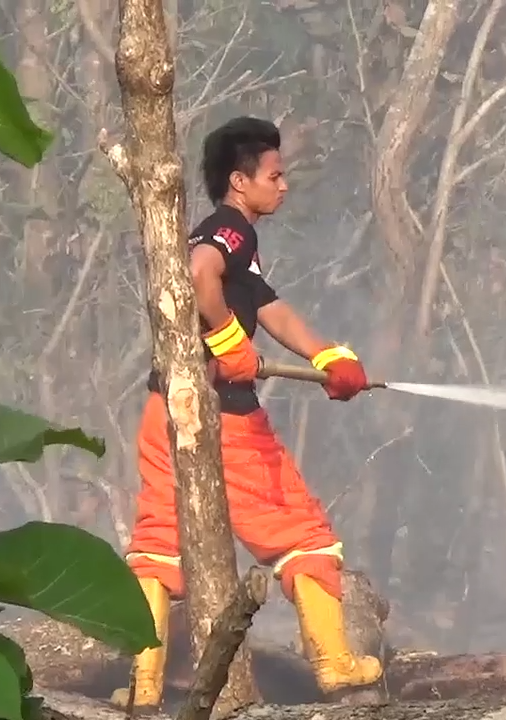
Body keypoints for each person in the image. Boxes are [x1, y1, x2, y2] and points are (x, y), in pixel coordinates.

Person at [112, 116, 381, 708]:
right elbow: (198, 274)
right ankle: (335, 665)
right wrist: (231, 339)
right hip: (226, 418)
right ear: (240, 181)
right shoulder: (230, 229)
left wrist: (329, 355)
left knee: (159, 538)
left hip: (165, 408)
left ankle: (145, 686)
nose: (284, 186)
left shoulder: (239, 242)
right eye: (275, 175)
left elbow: (270, 306)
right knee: (302, 532)